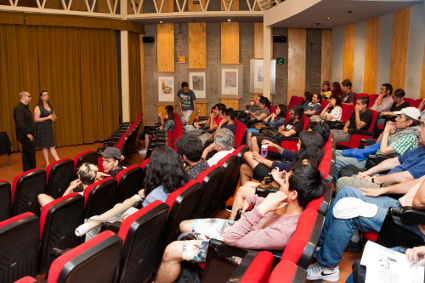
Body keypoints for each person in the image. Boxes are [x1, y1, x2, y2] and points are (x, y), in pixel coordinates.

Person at [155, 163, 326, 283]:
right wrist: (252, 201)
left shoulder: (282, 232)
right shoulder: (288, 203)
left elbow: (231, 238)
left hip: (236, 249)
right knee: (184, 225)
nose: (281, 183)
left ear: (294, 194)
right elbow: (259, 201)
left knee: (171, 250)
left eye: (285, 181)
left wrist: (261, 210)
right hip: (241, 231)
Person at [306, 173, 425, 282]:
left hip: (413, 219)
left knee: (347, 209)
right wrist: (383, 190)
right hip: (401, 204)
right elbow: (417, 181)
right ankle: (322, 246)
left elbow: (419, 201)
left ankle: (327, 268)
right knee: (346, 192)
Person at [231, 131, 325, 220]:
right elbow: (291, 163)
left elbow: (297, 187)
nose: (297, 144)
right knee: (246, 176)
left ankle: (231, 223)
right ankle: (241, 212)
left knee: (242, 189)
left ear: (307, 146)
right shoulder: (307, 156)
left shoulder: (306, 163)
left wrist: (278, 179)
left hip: (283, 193)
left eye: (299, 143)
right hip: (283, 184)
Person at [333, 107, 421, 187]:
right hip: (373, 156)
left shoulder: (410, 137)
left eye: (400, 117)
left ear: (409, 122)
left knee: (335, 160)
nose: (396, 119)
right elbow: (378, 142)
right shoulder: (401, 133)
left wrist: (386, 131)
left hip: (375, 161)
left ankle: (339, 186)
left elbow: (383, 151)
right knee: (334, 153)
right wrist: (386, 133)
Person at [34, 90, 60, 167]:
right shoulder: (38, 107)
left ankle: (58, 160)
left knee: (52, 145)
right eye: (44, 95)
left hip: (48, 127)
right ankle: (48, 162)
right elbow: (36, 119)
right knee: (44, 146)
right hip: (41, 128)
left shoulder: (50, 105)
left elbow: (53, 116)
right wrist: (47, 117)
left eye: (47, 94)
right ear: (41, 97)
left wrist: (53, 117)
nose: (47, 96)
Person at [13, 91, 36, 172]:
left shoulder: (24, 108)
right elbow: (20, 122)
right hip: (25, 135)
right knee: (31, 153)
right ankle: (33, 171)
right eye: (29, 96)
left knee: (26, 154)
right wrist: (27, 133)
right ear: (23, 97)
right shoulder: (19, 108)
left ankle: (27, 172)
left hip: (26, 134)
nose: (31, 98)